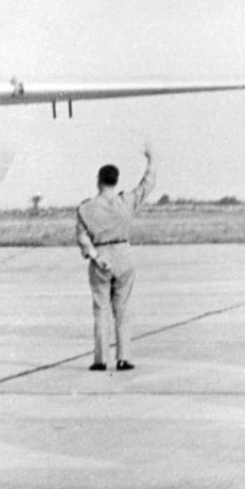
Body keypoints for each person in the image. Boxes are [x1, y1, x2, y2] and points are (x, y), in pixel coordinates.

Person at [75, 145, 156, 372]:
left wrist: (95, 256)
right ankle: (123, 358)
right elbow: (147, 184)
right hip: (124, 255)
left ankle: (100, 360)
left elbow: (82, 237)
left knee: (101, 310)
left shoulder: (86, 208)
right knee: (123, 309)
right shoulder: (126, 201)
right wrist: (151, 160)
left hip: (100, 257)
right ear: (116, 181)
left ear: (98, 181)